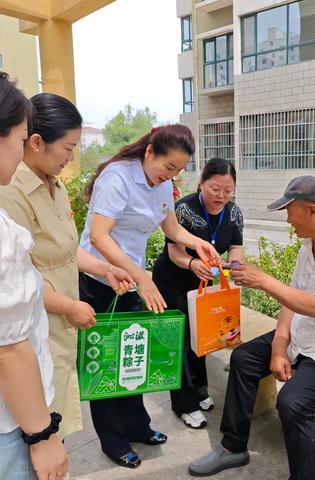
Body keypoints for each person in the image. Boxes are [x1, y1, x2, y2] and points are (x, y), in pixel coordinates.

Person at [189, 176, 315, 479]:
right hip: (306, 335)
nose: (289, 221)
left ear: (311, 210)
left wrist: (264, 280)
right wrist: (279, 344)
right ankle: (233, 447)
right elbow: (292, 298)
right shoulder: (310, 245)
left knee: (292, 402)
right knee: (244, 358)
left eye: (290, 213)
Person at [79, 124, 221, 468]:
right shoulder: (117, 178)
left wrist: (197, 242)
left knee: (132, 355)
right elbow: (99, 237)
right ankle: (112, 440)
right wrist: (142, 277)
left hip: (132, 281)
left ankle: (137, 425)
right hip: (102, 279)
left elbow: (170, 228)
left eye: (177, 171)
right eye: (168, 167)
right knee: (107, 364)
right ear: (148, 153)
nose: (170, 176)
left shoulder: (162, 185)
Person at [0, 92, 135, 442]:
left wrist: (105, 270)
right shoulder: (11, 193)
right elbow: (15, 283)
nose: (72, 157)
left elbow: (66, 252)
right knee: (38, 423)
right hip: (38, 325)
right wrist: (70, 306)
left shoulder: (54, 184)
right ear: (35, 142)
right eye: (68, 148)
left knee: (56, 408)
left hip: (62, 323)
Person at [0, 72, 67, 479]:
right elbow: (8, 347)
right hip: (12, 420)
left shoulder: (56, 186)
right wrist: (41, 437)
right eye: (19, 137)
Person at [152, 157, 243, 429]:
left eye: (228, 191)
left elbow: (236, 247)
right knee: (178, 343)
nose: (221, 196)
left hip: (204, 285)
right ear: (201, 183)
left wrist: (233, 267)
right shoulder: (183, 209)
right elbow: (174, 252)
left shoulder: (234, 212)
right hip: (173, 280)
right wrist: (193, 263)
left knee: (201, 339)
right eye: (215, 189)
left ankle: (200, 390)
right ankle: (184, 405)